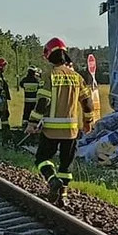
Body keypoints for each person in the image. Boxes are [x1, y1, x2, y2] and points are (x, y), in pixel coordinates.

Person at [25, 37, 93, 206]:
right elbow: (87, 102)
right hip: (71, 131)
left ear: (49, 55)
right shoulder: (76, 77)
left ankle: (52, 180)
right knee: (66, 165)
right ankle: (63, 196)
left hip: (51, 130)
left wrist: (32, 123)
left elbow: (43, 102)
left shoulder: (50, 76)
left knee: (42, 158)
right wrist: (88, 121)